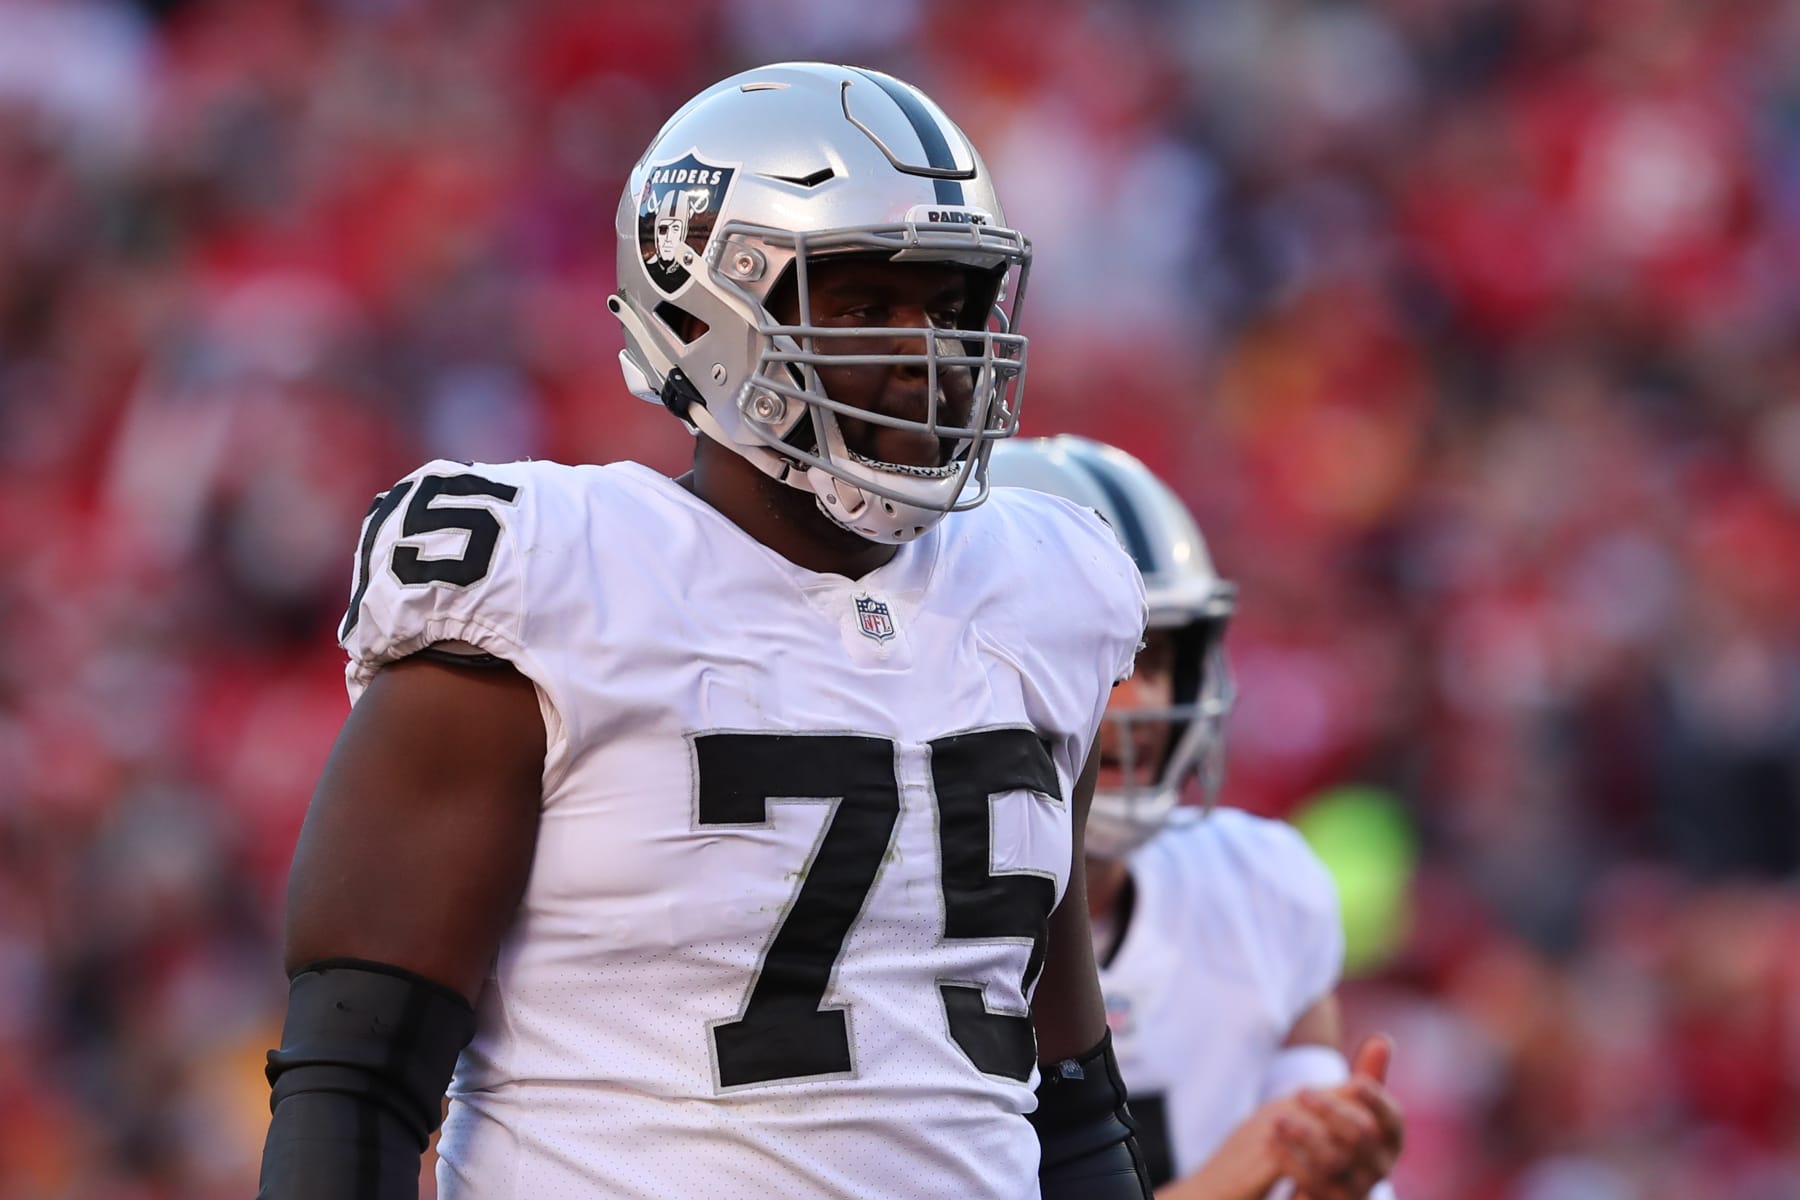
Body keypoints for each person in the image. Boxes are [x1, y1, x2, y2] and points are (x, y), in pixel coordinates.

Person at [257, 64, 1157, 1200]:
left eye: (951, 304)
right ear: (703, 306)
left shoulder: (1048, 586)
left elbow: (1067, 1097)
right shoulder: (549, 578)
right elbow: (357, 1085)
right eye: (867, 303)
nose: (927, 355)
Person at [988, 436, 1404, 1200]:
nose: (1139, 701)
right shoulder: (908, 926)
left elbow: (1299, 1167)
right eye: (1101, 661)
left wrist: (1326, 1177)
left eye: (1153, 659)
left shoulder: (1259, 889)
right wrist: (1225, 1184)